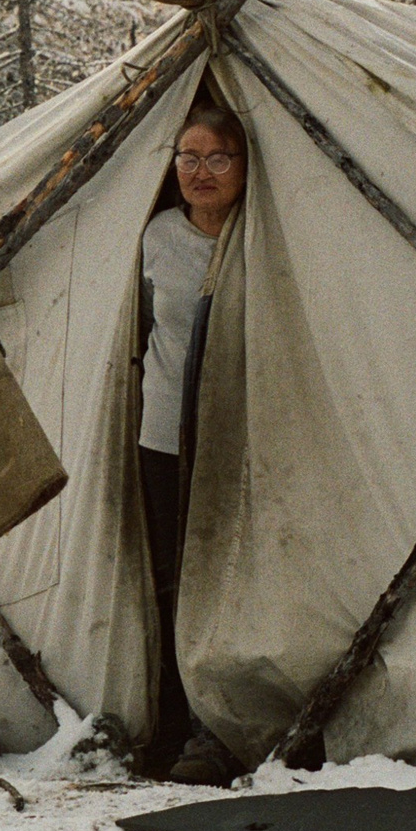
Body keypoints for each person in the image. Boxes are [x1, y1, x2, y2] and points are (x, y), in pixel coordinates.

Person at [138, 104, 247, 787]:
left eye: (217, 158)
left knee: (232, 577)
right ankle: (175, 725)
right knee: (173, 578)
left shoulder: (263, 232)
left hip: (241, 432)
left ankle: (228, 723)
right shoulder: (153, 237)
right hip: (162, 433)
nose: (199, 172)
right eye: (187, 157)